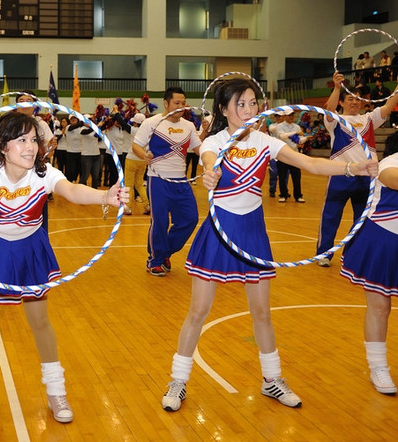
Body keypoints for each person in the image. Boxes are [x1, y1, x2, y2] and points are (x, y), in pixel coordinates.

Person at [160, 77, 377, 414]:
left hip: (253, 233)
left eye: (252, 103)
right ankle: (178, 380)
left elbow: (310, 163)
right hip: (219, 231)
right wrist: (209, 173)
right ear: (223, 109)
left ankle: (272, 379)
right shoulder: (215, 141)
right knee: (198, 311)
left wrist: (354, 167)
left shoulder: (265, 141)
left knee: (262, 313)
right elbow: (209, 160)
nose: (249, 110)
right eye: (240, 104)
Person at [0, 112, 129, 427]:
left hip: (30, 250)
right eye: (21, 140)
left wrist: (105, 195)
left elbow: (72, 191)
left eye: (33, 139)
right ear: (2, 145)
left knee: (41, 322)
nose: (31, 146)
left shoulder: (44, 173)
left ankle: (56, 392)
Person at [315, 72, 398, 266]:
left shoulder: (370, 119)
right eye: (350, 99)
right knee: (330, 217)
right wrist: (337, 87)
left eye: (357, 99)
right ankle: (324, 254)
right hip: (340, 175)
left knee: (362, 219)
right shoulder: (335, 120)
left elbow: (388, 106)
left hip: (367, 177)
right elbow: (329, 109)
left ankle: (351, 254)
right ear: (342, 102)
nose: (354, 102)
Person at [340, 131, 398, 395]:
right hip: (382, 241)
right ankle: (378, 367)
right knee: (380, 307)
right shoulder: (390, 164)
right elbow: (391, 178)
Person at [132, 87, 200, 276]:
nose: (181, 107)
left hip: (181, 181)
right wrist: (144, 155)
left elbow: (199, 149)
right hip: (158, 180)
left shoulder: (189, 126)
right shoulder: (151, 123)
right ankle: (155, 261)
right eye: (176, 103)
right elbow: (136, 145)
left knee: (190, 219)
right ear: (166, 103)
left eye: (183, 103)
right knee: (160, 221)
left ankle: (164, 253)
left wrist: (214, 158)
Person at [269, 110, 306, 203]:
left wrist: (306, 138)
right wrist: (296, 133)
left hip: (294, 154)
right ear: (285, 116)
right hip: (283, 155)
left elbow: (299, 140)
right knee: (282, 176)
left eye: (292, 115)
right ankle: (283, 194)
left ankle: (298, 195)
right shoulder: (279, 126)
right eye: (289, 115)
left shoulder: (296, 126)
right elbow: (283, 136)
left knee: (296, 176)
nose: (291, 117)